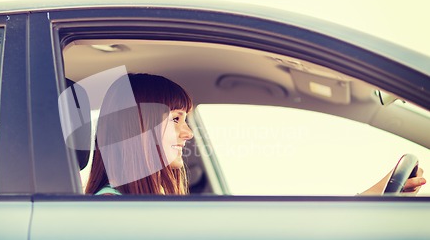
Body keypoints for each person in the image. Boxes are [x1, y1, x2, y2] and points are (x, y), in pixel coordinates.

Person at [85, 73, 426, 196]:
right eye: (176, 118)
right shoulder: (111, 210)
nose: (188, 133)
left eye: (186, 119)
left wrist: (374, 194)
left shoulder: (137, 206)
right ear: (139, 126)